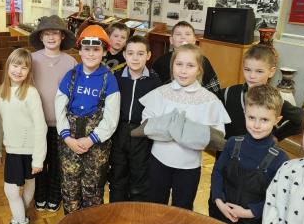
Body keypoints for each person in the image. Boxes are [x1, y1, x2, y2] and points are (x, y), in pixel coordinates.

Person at [140, 44, 230, 210]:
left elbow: (218, 135)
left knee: (183, 208)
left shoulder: (209, 100)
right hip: (159, 161)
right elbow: (146, 123)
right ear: (172, 66)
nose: (183, 70)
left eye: (190, 65)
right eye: (179, 64)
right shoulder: (161, 93)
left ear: (199, 69)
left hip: (189, 166)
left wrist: (185, 133)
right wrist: (174, 130)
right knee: (154, 205)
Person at [55, 25, 120, 214]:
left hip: (97, 146)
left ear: (104, 52)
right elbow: (59, 108)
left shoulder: (109, 80)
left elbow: (111, 119)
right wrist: (67, 138)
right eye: (87, 49)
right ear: (80, 51)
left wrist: (91, 139)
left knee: (93, 190)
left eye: (96, 49)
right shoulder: (71, 76)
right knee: (70, 188)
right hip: (69, 143)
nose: (91, 54)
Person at [209, 85, 289, 224]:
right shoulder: (232, 143)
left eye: (264, 120)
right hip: (220, 213)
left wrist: (248, 213)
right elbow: (217, 173)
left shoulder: (280, 159)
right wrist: (218, 201)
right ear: (244, 113)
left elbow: (277, 199)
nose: (257, 125)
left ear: (277, 120)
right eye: (251, 118)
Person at [0, 49, 47, 224]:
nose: (18, 71)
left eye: (24, 67)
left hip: (30, 150)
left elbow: (40, 126)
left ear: (29, 71)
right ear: (8, 66)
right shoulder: (1, 91)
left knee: (27, 186)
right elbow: (0, 122)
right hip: (13, 150)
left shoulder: (31, 93)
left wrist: (38, 159)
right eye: (15, 65)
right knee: (11, 191)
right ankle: (20, 220)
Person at [30, 16, 77, 212]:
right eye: (47, 33)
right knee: (39, 161)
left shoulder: (70, 61)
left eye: (55, 33)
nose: (51, 37)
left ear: (62, 36)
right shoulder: (32, 59)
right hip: (37, 123)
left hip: (61, 124)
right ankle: (40, 195)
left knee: (58, 163)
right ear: (41, 36)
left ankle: (54, 196)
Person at [108, 35, 161, 202]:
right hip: (119, 132)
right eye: (130, 53)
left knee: (140, 176)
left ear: (148, 55)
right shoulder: (115, 78)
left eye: (140, 53)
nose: (135, 58)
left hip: (142, 135)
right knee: (117, 174)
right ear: (124, 55)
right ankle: (117, 210)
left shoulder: (155, 82)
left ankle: (135, 212)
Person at [220, 44, 303, 142]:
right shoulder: (228, 93)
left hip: (261, 151)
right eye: (247, 70)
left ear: (271, 72)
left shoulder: (275, 100)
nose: (252, 76)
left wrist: (278, 136)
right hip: (228, 149)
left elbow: (302, 118)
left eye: (259, 71)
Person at [151, 21, 221, 97]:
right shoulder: (160, 62)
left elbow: (214, 90)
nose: (183, 37)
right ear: (171, 40)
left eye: (187, 34)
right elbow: (154, 90)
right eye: (178, 34)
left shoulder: (203, 61)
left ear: (194, 40)